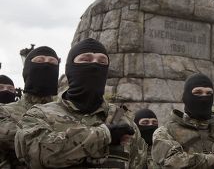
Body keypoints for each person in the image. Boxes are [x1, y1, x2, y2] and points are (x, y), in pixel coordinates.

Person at [15, 38, 147, 168]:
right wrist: (104, 134)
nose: (95, 65)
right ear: (70, 69)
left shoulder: (124, 121)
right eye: (86, 60)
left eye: (102, 61)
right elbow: (37, 154)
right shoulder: (39, 115)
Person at [0, 46, 60, 168]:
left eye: (52, 62)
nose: (46, 65)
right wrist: (103, 134)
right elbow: (34, 146)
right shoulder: (4, 112)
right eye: (39, 61)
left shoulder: (66, 110)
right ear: (27, 69)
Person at [152, 73, 214, 168]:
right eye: (198, 93)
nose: (204, 98)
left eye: (209, 93)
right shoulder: (166, 131)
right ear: (186, 97)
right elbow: (173, 162)